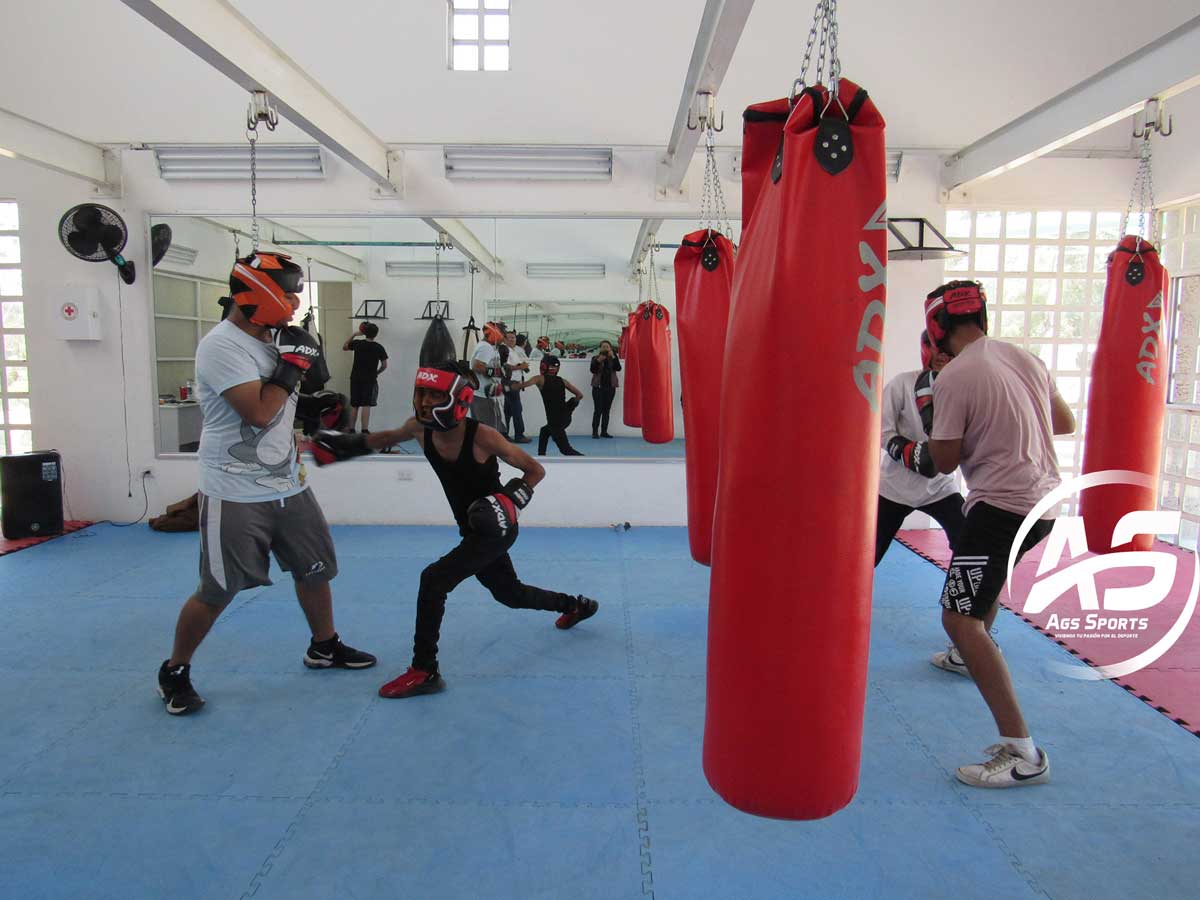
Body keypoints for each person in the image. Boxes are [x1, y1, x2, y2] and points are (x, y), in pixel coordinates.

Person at [157, 252, 375, 716]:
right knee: (217, 588)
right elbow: (257, 412)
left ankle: (324, 645)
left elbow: (293, 398)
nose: (297, 301)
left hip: (288, 484)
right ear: (259, 293)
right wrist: (292, 367)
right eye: (291, 291)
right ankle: (175, 670)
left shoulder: (277, 340)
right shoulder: (222, 347)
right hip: (234, 491)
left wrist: (312, 401)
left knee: (315, 570)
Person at [306, 361, 600, 699]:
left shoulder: (483, 436)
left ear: (456, 398)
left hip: (497, 528)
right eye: (422, 393)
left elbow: (534, 470)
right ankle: (575, 605)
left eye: (435, 394)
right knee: (510, 594)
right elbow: (383, 438)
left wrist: (509, 500)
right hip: (471, 528)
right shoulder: (419, 428)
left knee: (433, 579)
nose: (427, 401)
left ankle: (425, 670)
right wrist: (336, 446)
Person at [921, 280, 1075, 788]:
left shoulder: (956, 377)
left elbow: (942, 462)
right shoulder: (1024, 356)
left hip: (1001, 510)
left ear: (937, 328)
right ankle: (969, 658)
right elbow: (1064, 421)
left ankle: (1022, 751)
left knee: (957, 616)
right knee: (980, 596)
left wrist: (935, 414)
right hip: (1044, 505)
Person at [876, 330, 964, 565]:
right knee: (867, 553)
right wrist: (908, 453)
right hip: (893, 488)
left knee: (969, 543)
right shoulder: (903, 383)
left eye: (947, 351)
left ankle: (963, 600)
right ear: (926, 349)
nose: (942, 356)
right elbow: (880, 429)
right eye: (936, 349)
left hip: (940, 488)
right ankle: (844, 600)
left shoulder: (964, 390)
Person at [516, 355, 585, 456]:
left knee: (566, 450)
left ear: (543, 366)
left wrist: (508, 387)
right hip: (566, 418)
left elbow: (523, 385)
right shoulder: (562, 380)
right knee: (544, 431)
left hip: (555, 422)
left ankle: (588, 463)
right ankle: (541, 456)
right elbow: (580, 395)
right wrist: (571, 406)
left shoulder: (539, 379)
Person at [343, 321, 388, 433]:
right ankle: (364, 430)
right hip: (370, 379)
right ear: (376, 334)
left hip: (356, 378)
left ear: (364, 333)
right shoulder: (379, 347)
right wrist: (377, 372)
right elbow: (384, 365)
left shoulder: (357, 343)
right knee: (366, 405)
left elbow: (344, 347)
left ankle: (352, 429)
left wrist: (354, 335)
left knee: (355, 405)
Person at [470, 322, 505, 429]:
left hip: (482, 394)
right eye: (502, 334)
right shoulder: (486, 347)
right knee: (488, 431)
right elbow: (477, 366)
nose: (503, 338)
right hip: (482, 396)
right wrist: (497, 372)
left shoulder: (485, 346)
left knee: (485, 430)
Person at [502, 330, 532, 444]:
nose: (512, 339)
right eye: (509, 338)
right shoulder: (504, 350)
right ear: (505, 339)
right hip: (510, 382)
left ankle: (505, 434)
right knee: (517, 409)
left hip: (515, 383)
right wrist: (520, 367)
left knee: (508, 410)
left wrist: (522, 366)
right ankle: (519, 435)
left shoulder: (513, 351)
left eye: (513, 338)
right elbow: (505, 366)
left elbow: (514, 364)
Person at [589, 339, 621, 439]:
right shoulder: (595, 358)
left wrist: (613, 357)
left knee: (606, 411)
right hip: (598, 388)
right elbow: (592, 370)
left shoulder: (613, 358)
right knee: (597, 410)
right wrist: (599, 361)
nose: (605, 348)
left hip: (610, 388)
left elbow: (618, 368)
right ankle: (595, 432)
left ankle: (604, 432)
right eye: (603, 347)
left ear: (610, 348)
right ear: (600, 348)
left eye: (607, 347)